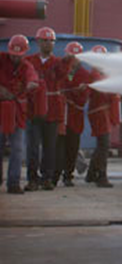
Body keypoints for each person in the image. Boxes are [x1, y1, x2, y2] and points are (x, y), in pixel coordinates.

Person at [25, 27, 68, 191]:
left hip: (53, 111)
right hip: (34, 110)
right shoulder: (29, 61)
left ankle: (47, 178)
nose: (49, 44)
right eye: (45, 40)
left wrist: (68, 64)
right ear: (38, 42)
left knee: (50, 148)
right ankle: (32, 179)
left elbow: (65, 78)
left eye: (51, 41)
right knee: (33, 148)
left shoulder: (58, 63)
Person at [0, 35, 39, 194]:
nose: (15, 57)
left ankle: (14, 183)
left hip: (17, 113)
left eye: (19, 55)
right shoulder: (1, 59)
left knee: (17, 148)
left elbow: (32, 77)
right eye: (13, 54)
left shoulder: (27, 67)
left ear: (24, 54)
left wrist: (32, 83)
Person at [55, 41, 90, 187]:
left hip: (75, 117)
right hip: (61, 117)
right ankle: (54, 175)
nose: (73, 60)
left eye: (76, 57)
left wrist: (76, 92)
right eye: (71, 56)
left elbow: (83, 100)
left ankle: (68, 175)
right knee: (58, 148)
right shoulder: (61, 71)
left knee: (72, 148)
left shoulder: (84, 75)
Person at [86, 45, 120, 188]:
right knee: (104, 145)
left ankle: (91, 174)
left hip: (102, 113)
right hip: (99, 114)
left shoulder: (103, 74)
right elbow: (103, 92)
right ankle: (101, 176)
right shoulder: (94, 75)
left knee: (101, 145)